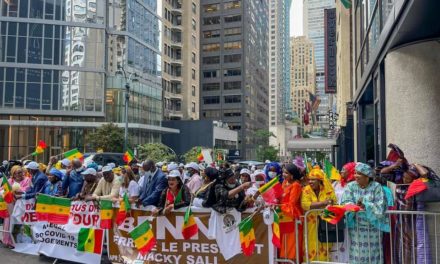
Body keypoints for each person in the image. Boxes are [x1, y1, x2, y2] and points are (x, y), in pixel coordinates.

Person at [341, 162, 389, 264]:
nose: (355, 176)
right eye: (355, 173)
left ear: (367, 177)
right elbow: (345, 202)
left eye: (359, 173)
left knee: (374, 254)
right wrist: (354, 206)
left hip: (373, 229)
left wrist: (365, 205)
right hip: (356, 228)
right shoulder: (350, 186)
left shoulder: (376, 187)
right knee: (357, 254)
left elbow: (381, 206)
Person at [301, 168, 337, 262]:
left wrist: (326, 204)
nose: (310, 181)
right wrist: (323, 203)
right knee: (310, 244)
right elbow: (305, 205)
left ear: (319, 180)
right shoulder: (306, 190)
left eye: (313, 179)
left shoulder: (328, 190)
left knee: (325, 244)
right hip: (311, 224)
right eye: (309, 179)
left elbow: (333, 201)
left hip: (326, 221)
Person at [278, 164, 303, 262]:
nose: (283, 174)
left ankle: (292, 261)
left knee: (292, 243)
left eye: (286, 173)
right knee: (284, 242)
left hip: (293, 216)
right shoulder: (284, 182)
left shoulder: (296, 185)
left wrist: (278, 206)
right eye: (283, 172)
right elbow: (280, 197)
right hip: (283, 216)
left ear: (292, 175)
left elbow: (291, 204)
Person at [2, 165, 31, 248]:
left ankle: (18, 242)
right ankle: (7, 241)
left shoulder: (27, 179)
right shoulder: (9, 180)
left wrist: (19, 190)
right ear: (13, 174)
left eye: (21, 172)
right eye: (17, 173)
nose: (19, 174)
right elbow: (3, 189)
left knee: (19, 222)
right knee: (8, 221)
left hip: (21, 206)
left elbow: (27, 189)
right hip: (10, 205)